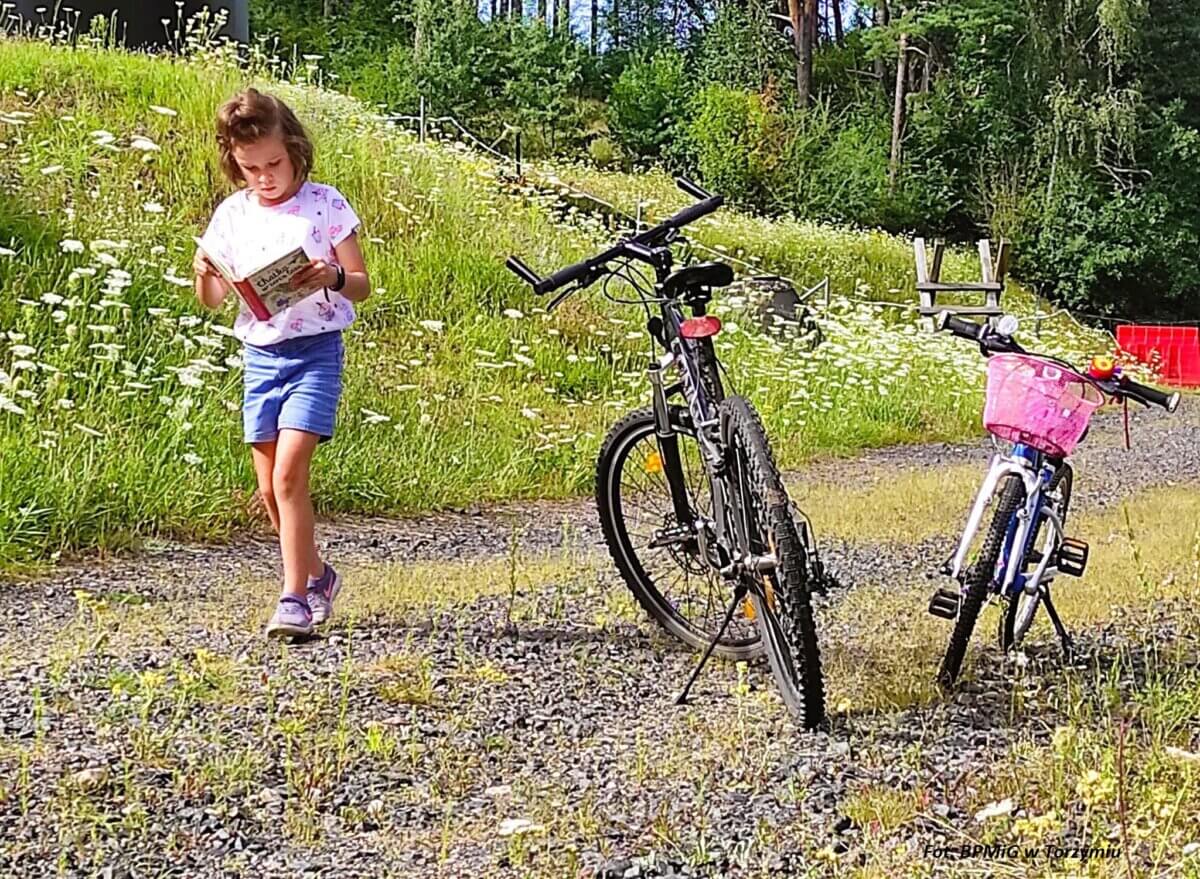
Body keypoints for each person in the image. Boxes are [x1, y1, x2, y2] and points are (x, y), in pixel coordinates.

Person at [193, 87, 369, 639]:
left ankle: (292, 597)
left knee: (291, 474)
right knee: (269, 489)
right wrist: (204, 272)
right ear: (235, 164)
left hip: (315, 352)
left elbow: (362, 285)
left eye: (274, 163)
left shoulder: (326, 203)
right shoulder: (233, 213)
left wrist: (330, 276)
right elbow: (214, 299)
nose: (265, 177)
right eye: (251, 168)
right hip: (260, 356)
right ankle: (318, 574)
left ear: (294, 149)